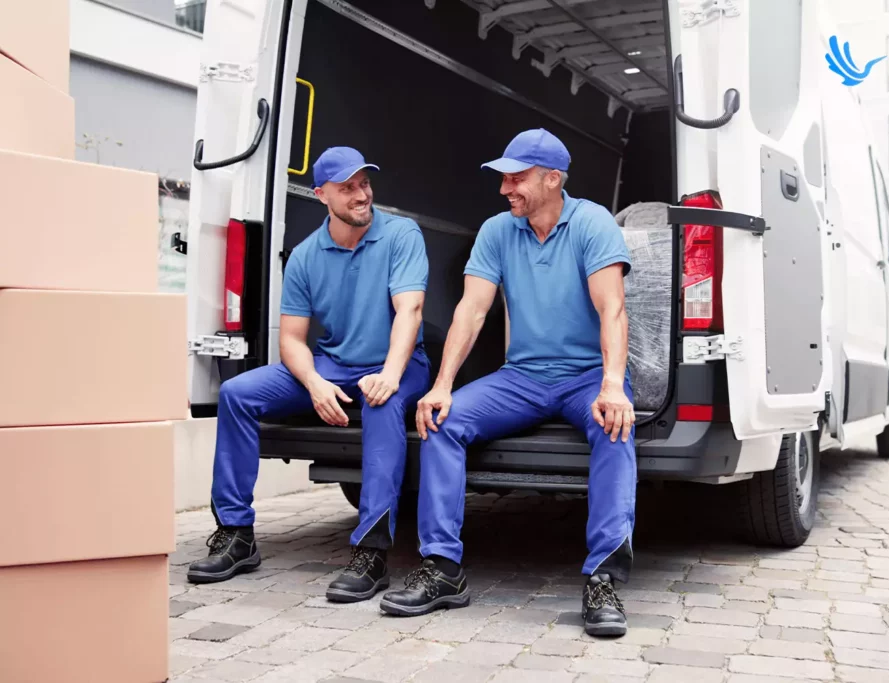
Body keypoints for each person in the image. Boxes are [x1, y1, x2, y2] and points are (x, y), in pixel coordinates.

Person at [379, 129, 637, 637]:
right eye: (503, 179)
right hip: (522, 377)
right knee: (442, 421)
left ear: (553, 179)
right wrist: (442, 385)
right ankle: (442, 569)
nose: (504, 189)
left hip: (587, 375)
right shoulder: (498, 230)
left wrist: (612, 383)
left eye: (516, 179)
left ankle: (603, 578)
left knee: (614, 426)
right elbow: (472, 310)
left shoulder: (592, 223)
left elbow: (612, 308)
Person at [187, 147, 431, 605]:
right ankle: (236, 535)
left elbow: (410, 310)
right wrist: (316, 384)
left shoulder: (401, 235)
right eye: (347, 188)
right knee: (237, 393)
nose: (361, 195)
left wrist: (389, 374)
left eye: (364, 183)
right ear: (321, 195)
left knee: (380, 403)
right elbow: (293, 340)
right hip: (332, 366)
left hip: (399, 363)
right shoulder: (304, 256)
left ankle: (371, 554)